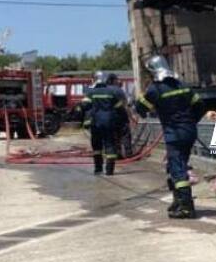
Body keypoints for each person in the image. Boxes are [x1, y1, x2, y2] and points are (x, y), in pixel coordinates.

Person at [135, 55, 207, 219]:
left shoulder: (155, 89)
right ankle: (178, 200)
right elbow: (200, 106)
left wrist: (141, 98)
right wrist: (190, 121)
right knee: (175, 165)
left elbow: (140, 108)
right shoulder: (182, 84)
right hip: (189, 131)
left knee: (177, 168)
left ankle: (186, 207)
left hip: (174, 134)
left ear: (153, 71)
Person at [82, 71, 128, 175]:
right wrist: (124, 120)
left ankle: (98, 169)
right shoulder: (111, 92)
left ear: (95, 80)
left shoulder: (91, 93)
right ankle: (109, 170)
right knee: (110, 145)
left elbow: (84, 106)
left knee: (97, 147)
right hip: (109, 123)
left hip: (96, 123)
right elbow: (120, 108)